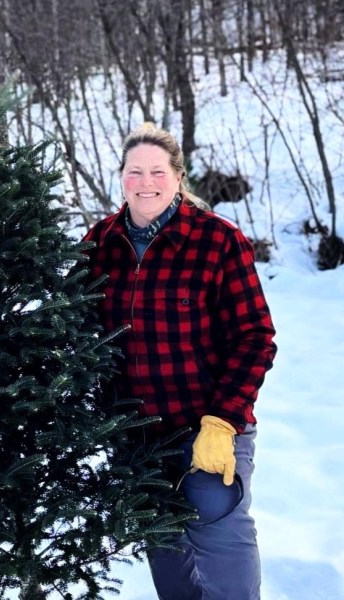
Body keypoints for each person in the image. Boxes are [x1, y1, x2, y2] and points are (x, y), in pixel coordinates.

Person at [83, 123, 277, 600]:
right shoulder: (100, 242)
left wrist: (223, 421)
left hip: (206, 426)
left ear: (177, 177)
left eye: (156, 171)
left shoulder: (217, 240)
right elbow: (76, 328)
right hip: (137, 434)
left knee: (221, 542)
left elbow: (256, 338)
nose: (145, 182)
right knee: (165, 549)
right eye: (134, 172)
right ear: (121, 178)